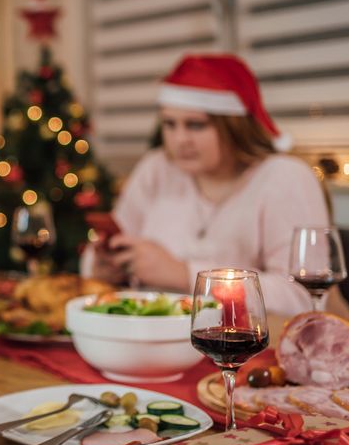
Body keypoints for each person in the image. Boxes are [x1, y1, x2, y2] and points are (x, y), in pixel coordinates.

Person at [88, 54, 332, 316]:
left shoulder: (284, 176)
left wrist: (185, 275)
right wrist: (103, 268)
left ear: (234, 126)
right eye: (170, 124)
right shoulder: (156, 168)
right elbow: (100, 253)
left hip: (239, 345)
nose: (180, 139)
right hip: (150, 335)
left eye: (196, 125)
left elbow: (301, 296)